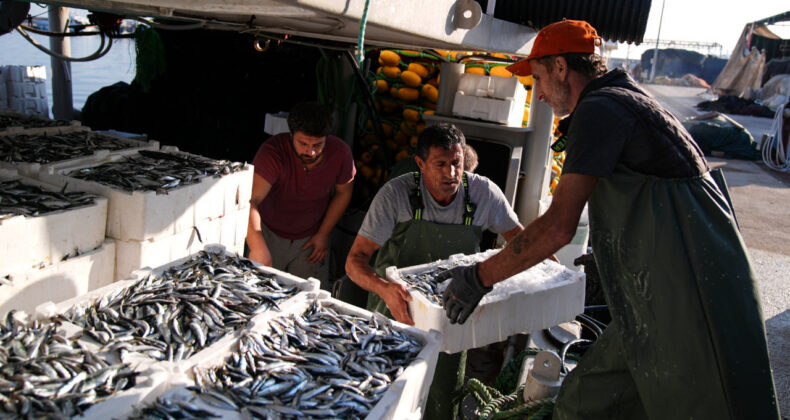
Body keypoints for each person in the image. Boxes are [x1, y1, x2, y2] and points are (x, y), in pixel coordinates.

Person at [438, 19, 780, 420]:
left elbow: (558, 226)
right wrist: (609, 260)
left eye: (539, 79)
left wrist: (480, 277)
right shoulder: (622, 100)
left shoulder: (600, 110)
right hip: (653, 295)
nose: (540, 94)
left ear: (562, 68)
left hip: (690, 298)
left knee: (709, 402)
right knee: (582, 403)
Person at [345, 123, 522, 420]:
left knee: (442, 398)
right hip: (395, 314)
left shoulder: (483, 193)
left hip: (452, 316)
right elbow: (355, 261)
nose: (451, 174)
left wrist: (556, 276)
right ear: (420, 164)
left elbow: (523, 242)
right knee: (384, 394)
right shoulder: (395, 195)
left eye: (456, 163)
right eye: (440, 165)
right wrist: (384, 288)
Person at [247, 102, 355, 290]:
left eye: (318, 145)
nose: (310, 152)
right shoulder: (272, 152)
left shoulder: (341, 153)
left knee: (311, 297)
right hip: (268, 233)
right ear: (291, 136)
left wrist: (323, 234)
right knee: (259, 291)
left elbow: (343, 192)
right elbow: (251, 201)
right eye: (303, 144)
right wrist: (257, 246)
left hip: (311, 239)